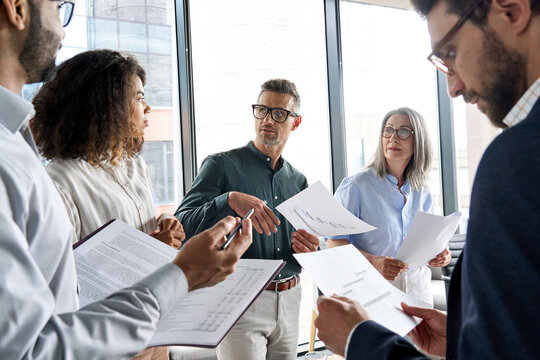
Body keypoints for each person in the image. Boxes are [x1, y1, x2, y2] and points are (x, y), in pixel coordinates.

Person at [0, 0, 252, 358]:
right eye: (58, 5)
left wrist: (162, 237)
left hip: (149, 333)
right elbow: (62, 296)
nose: (62, 23)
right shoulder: (54, 178)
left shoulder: (132, 167)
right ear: (17, 9)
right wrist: (179, 271)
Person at [315, 0, 540, 358]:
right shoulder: (356, 186)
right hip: (376, 293)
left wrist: (362, 342)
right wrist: (463, 342)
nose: (453, 87)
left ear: (512, 10)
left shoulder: (515, 160)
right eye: (388, 131)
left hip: (414, 289)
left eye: (450, 52)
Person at [30, 49, 185, 360]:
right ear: (107, 107)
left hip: (156, 328)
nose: (148, 107)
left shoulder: (133, 166)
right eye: (139, 98)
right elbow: (69, 283)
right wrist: (149, 250)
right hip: (111, 342)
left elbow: (135, 232)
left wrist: (164, 225)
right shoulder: (59, 182)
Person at [175, 79, 320, 360]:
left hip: (291, 298)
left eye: (278, 113)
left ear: (296, 122)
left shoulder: (298, 181)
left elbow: (308, 246)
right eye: (261, 110)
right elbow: (182, 225)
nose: (267, 119)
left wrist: (311, 249)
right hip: (239, 299)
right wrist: (227, 200)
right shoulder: (220, 165)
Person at [326, 107, 450, 306]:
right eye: (388, 130)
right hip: (372, 292)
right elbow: (333, 243)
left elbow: (430, 239)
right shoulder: (356, 186)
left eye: (403, 131)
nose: (393, 138)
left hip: (418, 293)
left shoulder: (423, 191)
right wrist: (373, 262)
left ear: (419, 141)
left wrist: (441, 253)